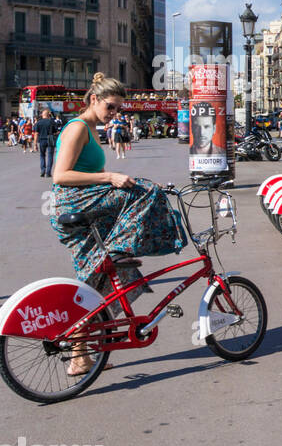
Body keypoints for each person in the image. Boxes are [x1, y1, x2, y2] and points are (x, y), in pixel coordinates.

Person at [50, 73, 180, 375]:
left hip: (87, 204)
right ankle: (124, 246)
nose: (115, 114)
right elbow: (60, 175)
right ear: (94, 100)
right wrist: (109, 177)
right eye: (111, 107)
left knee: (95, 281)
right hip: (74, 205)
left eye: (119, 109)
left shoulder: (92, 129)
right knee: (147, 191)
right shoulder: (78, 127)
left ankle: (80, 356)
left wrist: (112, 181)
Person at [35, 108, 57, 177]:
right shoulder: (52, 122)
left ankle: (42, 170)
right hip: (50, 139)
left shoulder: (38, 122)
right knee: (50, 156)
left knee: (42, 155)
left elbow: (36, 133)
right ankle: (48, 172)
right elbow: (55, 132)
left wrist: (35, 144)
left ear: (42, 115)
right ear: (48, 115)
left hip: (41, 140)